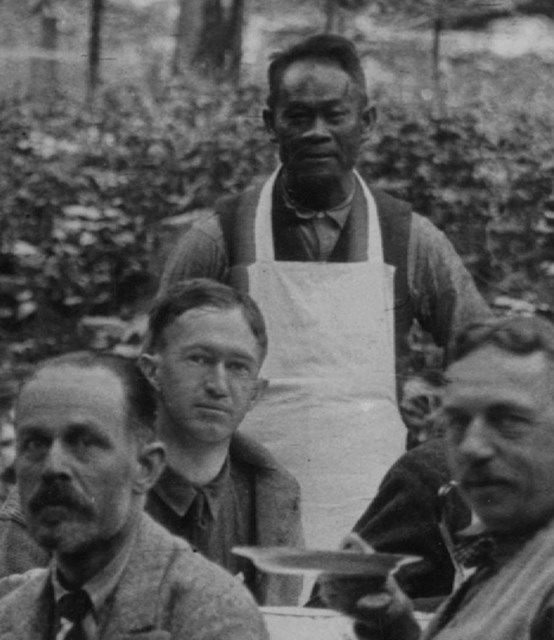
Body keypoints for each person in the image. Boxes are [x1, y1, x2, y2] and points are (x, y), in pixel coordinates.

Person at [160, 33, 490, 547]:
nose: (317, 133)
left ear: (367, 122)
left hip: (376, 512)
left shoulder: (409, 239)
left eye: (335, 115)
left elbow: (487, 358)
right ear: (271, 124)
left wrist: (445, 447)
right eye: (298, 117)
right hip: (237, 510)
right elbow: (156, 376)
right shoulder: (220, 238)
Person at [320, 316, 554, 640]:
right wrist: (391, 624)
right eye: (458, 421)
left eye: (509, 420)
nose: (472, 446)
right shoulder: (512, 545)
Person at [0, 279, 303, 606]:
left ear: (256, 392)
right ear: (150, 371)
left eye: (238, 367)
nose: (218, 385)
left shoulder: (273, 497)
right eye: (198, 359)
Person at [0, 351, 267, 640]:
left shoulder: (211, 616)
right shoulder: (12, 615)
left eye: (85, 443)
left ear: (146, 467)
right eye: (34, 443)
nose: (52, 467)